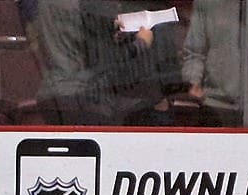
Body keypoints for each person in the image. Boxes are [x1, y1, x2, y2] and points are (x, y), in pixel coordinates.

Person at [33, 0, 181, 125]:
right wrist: (141, 43)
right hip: (86, 96)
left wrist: (106, 27)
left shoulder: (46, 3)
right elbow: (105, 61)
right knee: (156, 103)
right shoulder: (91, 5)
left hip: (52, 93)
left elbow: (70, 34)